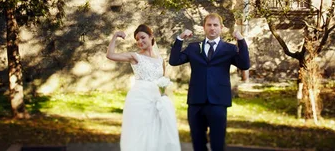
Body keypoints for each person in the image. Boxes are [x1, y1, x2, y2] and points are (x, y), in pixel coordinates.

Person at [169, 13, 250, 151]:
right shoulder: (194, 47)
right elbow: (174, 60)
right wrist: (180, 38)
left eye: (215, 25)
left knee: (217, 143)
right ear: (204, 27)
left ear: (221, 28)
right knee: (198, 142)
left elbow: (244, 64)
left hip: (218, 101)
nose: (212, 28)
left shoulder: (229, 49)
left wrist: (241, 41)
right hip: (196, 101)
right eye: (209, 25)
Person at [107, 24, 181, 151]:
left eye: (142, 37)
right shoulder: (135, 57)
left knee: (156, 131)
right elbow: (111, 55)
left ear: (151, 36)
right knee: (139, 132)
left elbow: (162, 81)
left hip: (156, 100)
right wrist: (115, 37)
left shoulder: (160, 60)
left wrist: (165, 99)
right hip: (139, 99)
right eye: (137, 39)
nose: (139, 41)